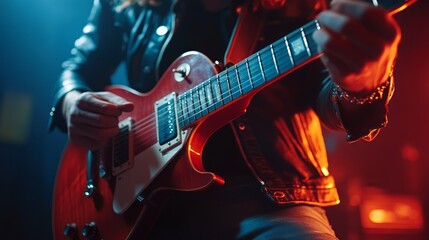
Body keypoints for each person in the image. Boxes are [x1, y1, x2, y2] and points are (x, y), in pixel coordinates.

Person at [49, 0, 401, 239]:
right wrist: (71, 103)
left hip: (267, 199)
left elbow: (326, 95)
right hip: (140, 202)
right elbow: (78, 67)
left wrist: (361, 85)